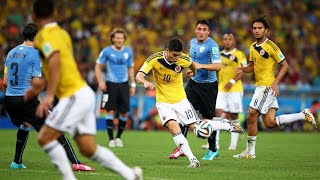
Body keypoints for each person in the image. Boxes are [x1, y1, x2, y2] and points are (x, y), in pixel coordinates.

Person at [28, 1, 142, 179]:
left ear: (33, 15)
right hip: (83, 93)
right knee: (88, 148)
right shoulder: (62, 33)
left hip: (73, 95)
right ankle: (130, 174)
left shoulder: (44, 35)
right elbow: (60, 65)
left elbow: (55, 61)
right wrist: (40, 85)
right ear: (55, 13)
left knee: (45, 138)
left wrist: (48, 95)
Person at [3, 23, 94, 171]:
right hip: (26, 100)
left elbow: (6, 81)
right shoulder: (34, 53)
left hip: (9, 100)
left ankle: (16, 162)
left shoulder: (11, 53)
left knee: (25, 124)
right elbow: (37, 82)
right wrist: (39, 102)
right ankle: (76, 163)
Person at [233, 16, 317, 159]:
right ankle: (303, 115)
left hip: (266, 86)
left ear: (266, 30)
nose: (257, 31)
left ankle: (250, 152)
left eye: (260, 28)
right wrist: (243, 68)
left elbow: (285, 65)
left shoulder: (272, 46)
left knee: (250, 116)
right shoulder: (253, 46)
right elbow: (252, 67)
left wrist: (275, 82)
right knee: (269, 122)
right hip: (260, 86)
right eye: (254, 28)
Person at [169, 20, 243, 161]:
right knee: (184, 113)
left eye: (204, 29)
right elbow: (192, 61)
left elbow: (218, 66)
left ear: (208, 32)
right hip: (194, 84)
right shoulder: (192, 42)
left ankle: (213, 149)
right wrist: (192, 72)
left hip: (208, 86)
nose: (201, 32)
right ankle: (181, 148)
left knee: (208, 119)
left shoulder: (212, 45)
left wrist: (199, 66)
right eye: (199, 29)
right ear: (195, 30)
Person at [202, 33, 246, 151]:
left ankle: (233, 145)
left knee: (234, 115)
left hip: (235, 89)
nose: (227, 41)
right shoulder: (219, 55)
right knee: (216, 112)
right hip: (221, 88)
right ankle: (214, 143)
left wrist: (232, 81)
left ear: (234, 41)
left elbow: (243, 71)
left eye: (229, 39)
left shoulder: (239, 54)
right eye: (225, 39)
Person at [95, 28, 135, 148]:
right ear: (113, 38)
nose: (119, 40)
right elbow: (97, 66)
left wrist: (132, 84)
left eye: (121, 38)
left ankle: (118, 137)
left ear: (124, 39)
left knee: (124, 112)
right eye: (117, 38)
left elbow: (130, 68)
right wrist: (100, 81)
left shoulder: (128, 52)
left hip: (124, 84)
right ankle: (111, 139)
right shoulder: (106, 51)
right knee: (110, 110)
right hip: (110, 84)